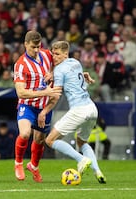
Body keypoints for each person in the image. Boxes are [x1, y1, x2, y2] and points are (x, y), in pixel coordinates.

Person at [38, 40, 107, 184]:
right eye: (53, 55)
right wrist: (85, 74)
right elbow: (74, 74)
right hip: (92, 109)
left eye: (57, 54)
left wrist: (44, 111)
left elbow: (56, 95)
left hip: (79, 109)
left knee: (50, 140)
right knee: (82, 142)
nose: (54, 57)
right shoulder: (76, 62)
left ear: (65, 54)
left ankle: (81, 159)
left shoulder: (59, 70)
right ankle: (97, 171)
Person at [13, 30, 62, 183]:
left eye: (38, 47)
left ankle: (34, 166)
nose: (36, 50)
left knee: (40, 139)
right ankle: (18, 163)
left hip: (44, 106)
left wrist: (53, 73)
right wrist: (44, 92)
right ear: (25, 44)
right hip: (27, 105)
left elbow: (64, 62)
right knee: (26, 133)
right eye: (33, 47)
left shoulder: (47, 55)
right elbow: (21, 93)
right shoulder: (20, 65)